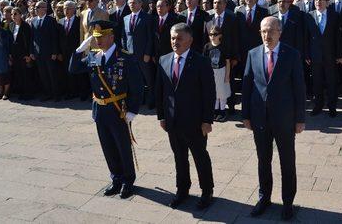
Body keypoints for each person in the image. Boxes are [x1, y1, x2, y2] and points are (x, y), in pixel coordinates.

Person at [69, 20, 142, 199]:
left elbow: (137, 86)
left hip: (118, 109)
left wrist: (132, 111)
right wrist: (80, 50)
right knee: (108, 147)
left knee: (122, 146)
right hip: (100, 109)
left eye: (101, 37)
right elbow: (73, 69)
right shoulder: (93, 56)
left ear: (111, 36)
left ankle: (127, 180)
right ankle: (116, 178)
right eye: (95, 37)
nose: (98, 41)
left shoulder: (125, 57)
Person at [242, 16, 306, 221]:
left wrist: (299, 119)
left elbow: (299, 88)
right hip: (260, 118)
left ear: (280, 32)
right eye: (263, 31)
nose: (266, 35)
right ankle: (264, 198)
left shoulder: (292, 55)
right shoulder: (253, 54)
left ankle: (288, 202)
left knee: (287, 161)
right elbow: (247, 86)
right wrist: (246, 115)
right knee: (263, 160)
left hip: (285, 119)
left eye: (270, 31)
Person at [155, 23, 216, 210]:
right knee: (179, 157)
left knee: (200, 157)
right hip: (172, 121)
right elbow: (160, 91)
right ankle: (182, 190)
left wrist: (207, 120)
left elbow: (209, 93)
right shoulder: (164, 60)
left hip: (195, 123)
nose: (175, 41)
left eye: (179, 38)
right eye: (173, 38)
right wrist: (162, 117)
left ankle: (207, 192)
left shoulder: (201, 62)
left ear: (190, 40)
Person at [304, 0, 340, 116]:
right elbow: (306, 37)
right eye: (316, 0)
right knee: (317, 82)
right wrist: (307, 54)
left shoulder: (334, 16)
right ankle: (318, 105)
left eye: (321, 0)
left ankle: (332, 106)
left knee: (331, 82)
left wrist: (338, 55)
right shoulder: (309, 16)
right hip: (315, 56)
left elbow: (338, 37)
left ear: (327, 2)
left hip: (330, 56)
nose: (318, 2)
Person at [121, 0, 153, 107]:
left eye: (134, 3)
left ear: (140, 4)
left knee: (147, 78)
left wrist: (147, 53)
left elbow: (150, 38)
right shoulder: (126, 18)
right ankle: (139, 100)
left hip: (143, 54)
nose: (131, 5)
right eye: (130, 3)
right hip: (130, 54)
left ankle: (151, 101)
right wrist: (125, 51)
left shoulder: (147, 17)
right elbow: (124, 37)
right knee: (134, 79)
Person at [30, 0, 61, 101]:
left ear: (45, 9)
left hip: (49, 53)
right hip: (38, 53)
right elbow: (32, 38)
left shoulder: (51, 20)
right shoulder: (33, 20)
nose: (36, 9)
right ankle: (48, 93)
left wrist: (55, 52)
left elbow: (54, 37)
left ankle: (56, 95)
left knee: (52, 74)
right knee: (43, 75)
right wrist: (32, 52)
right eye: (36, 7)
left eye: (38, 7)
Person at [59, 1, 85, 100]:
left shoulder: (79, 21)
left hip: (76, 51)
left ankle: (82, 92)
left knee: (79, 73)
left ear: (74, 9)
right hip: (65, 52)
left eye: (68, 8)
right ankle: (71, 92)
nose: (66, 10)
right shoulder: (60, 21)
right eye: (65, 8)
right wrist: (59, 52)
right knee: (67, 72)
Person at [204, 26, 230, 122]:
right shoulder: (207, 46)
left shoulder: (223, 47)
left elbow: (227, 62)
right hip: (211, 72)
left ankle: (222, 111)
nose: (212, 36)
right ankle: (215, 111)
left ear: (220, 35)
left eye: (215, 34)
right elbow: (204, 62)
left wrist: (227, 75)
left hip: (221, 71)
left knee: (222, 93)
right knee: (214, 92)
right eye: (210, 34)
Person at [9, 8, 34, 100]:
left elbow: (28, 41)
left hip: (24, 54)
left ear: (20, 15)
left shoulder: (26, 26)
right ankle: (22, 92)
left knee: (26, 74)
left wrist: (28, 54)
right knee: (18, 74)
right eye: (12, 14)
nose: (13, 16)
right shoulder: (11, 25)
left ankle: (28, 93)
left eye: (15, 14)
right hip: (15, 54)